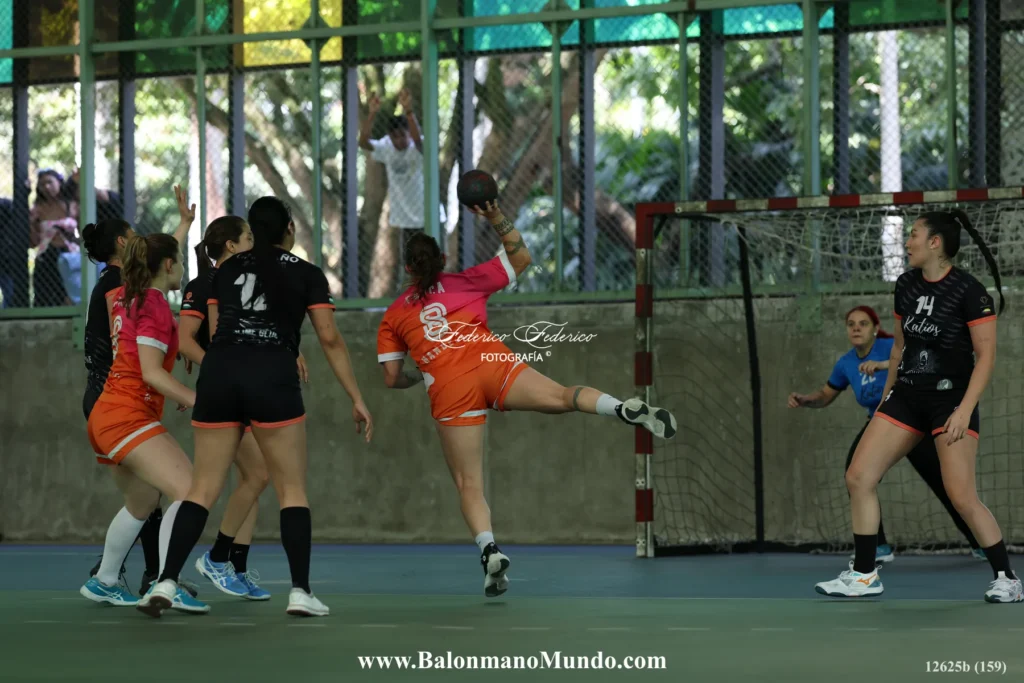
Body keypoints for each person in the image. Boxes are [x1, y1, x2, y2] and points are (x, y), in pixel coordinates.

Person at [375, 200, 677, 598]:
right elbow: (521, 258)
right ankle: (620, 407)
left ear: (406, 268)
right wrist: (495, 215)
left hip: (449, 386)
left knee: (469, 483)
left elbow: (392, 378)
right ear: (442, 260)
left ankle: (490, 551)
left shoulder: (394, 316)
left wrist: (420, 374)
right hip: (491, 363)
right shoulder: (467, 280)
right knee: (564, 395)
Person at [139, 197, 373, 619]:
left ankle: (167, 582)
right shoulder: (306, 273)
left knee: (202, 489)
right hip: (272, 376)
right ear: (289, 229)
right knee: (291, 489)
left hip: (221, 375)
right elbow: (330, 338)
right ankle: (300, 592)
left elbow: (217, 331)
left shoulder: (225, 270)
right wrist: (356, 397)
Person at [814, 209, 1021, 603]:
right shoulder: (906, 284)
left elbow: (986, 357)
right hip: (907, 397)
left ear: (935, 242)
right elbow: (898, 348)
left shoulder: (970, 291)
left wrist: (964, 410)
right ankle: (864, 575)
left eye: (913, 235)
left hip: (950, 401)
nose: (907, 242)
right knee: (858, 476)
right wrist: (885, 402)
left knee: (961, 495)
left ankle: (1006, 578)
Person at [79, 187, 208, 613]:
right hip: (126, 414)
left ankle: (104, 580)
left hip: (109, 412)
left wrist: (183, 227)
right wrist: (196, 398)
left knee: (142, 502)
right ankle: (164, 583)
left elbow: (152, 259)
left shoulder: (126, 293)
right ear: (168, 266)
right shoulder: (150, 303)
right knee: (189, 490)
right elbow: (152, 373)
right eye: (179, 261)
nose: (182, 267)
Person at [789, 305, 983, 563]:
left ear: (875, 329)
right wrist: (806, 400)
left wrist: (883, 365)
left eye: (863, 323)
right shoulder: (845, 363)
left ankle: (980, 542)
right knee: (857, 475)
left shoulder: (891, 346)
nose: (856, 328)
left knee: (947, 484)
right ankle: (877, 547)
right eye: (851, 324)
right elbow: (825, 395)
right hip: (881, 424)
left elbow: (921, 359)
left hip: (914, 420)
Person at [179, 217, 275, 601]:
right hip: (223, 396)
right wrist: (219, 368)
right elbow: (185, 341)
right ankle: (211, 561)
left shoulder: (247, 283)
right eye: (249, 237)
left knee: (254, 478)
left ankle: (235, 566)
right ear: (232, 246)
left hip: (246, 391)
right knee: (251, 476)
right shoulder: (204, 284)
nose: (255, 242)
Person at [359, 88, 444, 289]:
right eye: (394, 137)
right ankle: (415, 300)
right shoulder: (386, 146)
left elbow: (417, 139)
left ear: (408, 134)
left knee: (435, 264)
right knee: (411, 267)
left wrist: (408, 111)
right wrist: (372, 113)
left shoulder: (418, 147)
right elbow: (363, 142)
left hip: (429, 216)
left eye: (402, 136)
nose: (398, 141)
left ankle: (440, 298)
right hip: (405, 219)